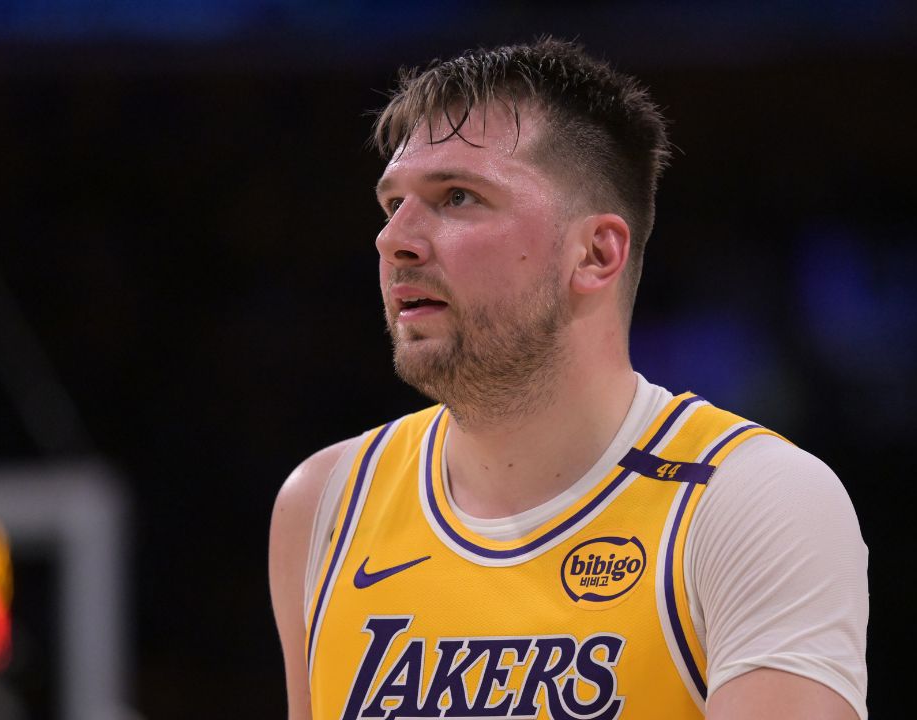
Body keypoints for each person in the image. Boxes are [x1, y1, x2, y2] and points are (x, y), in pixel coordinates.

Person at [269, 39, 868, 720]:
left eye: (457, 197)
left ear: (595, 253)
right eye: (392, 204)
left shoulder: (751, 501)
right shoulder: (324, 504)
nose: (394, 240)